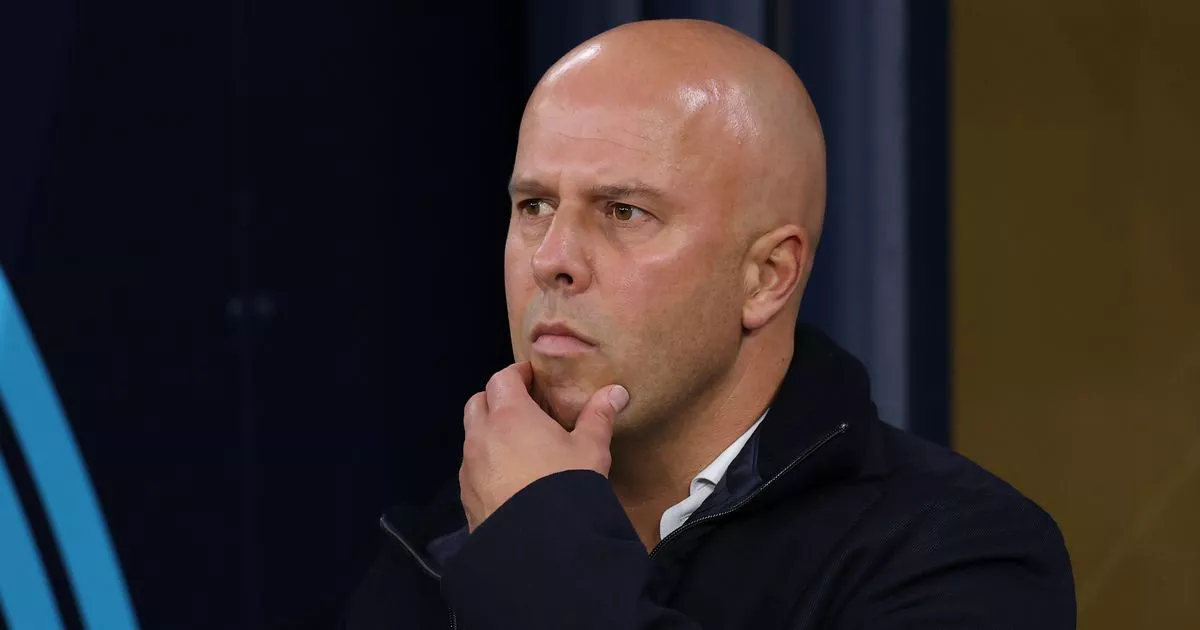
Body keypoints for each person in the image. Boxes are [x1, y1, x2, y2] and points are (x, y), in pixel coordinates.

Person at [343, 18, 1075, 630]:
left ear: (767, 277)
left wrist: (537, 550)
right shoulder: (448, 535)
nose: (552, 259)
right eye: (534, 206)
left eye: (624, 211)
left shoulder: (958, 552)